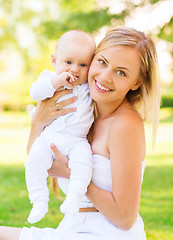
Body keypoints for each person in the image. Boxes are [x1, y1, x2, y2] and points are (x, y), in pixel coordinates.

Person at [0, 26, 160, 240]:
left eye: (121, 72)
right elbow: (40, 159)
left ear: (137, 82)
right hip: (74, 228)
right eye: (102, 62)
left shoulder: (125, 125)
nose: (105, 77)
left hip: (106, 234)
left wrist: (70, 173)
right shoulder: (83, 112)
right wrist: (37, 122)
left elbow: (125, 218)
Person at [25, 30, 96, 224]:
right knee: (33, 163)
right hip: (50, 137)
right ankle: (39, 200)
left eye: (83, 65)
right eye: (68, 62)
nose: (74, 69)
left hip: (77, 140)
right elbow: (35, 92)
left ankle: (73, 197)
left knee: (83, 164)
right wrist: (56, 82)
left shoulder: (89, 87)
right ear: (54, 60)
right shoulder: (49, 78)